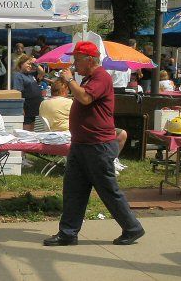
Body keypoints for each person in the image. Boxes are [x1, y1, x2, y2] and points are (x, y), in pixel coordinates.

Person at [43, 41, 144, 247]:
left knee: (107, 190)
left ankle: (132, 227)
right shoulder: (90, 78)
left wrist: (70, 80)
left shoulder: (101, 77)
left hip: (97, 145)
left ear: (90, 60)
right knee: (73, 190)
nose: (74, 64)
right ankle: (68, 233)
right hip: (82, 144)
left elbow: (85, 98)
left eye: (77, 60)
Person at [12, 55, 45, 130]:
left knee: (32, 131)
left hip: (34, 108)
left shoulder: (31, 75)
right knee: (27, 131)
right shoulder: (18, 76)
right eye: (28, 64)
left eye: (31, 64)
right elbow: (18, 93)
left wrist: (36, 64)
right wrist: (21, 108)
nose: (30, 66)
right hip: (27, 108)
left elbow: (42, 72)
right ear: (21, 64)